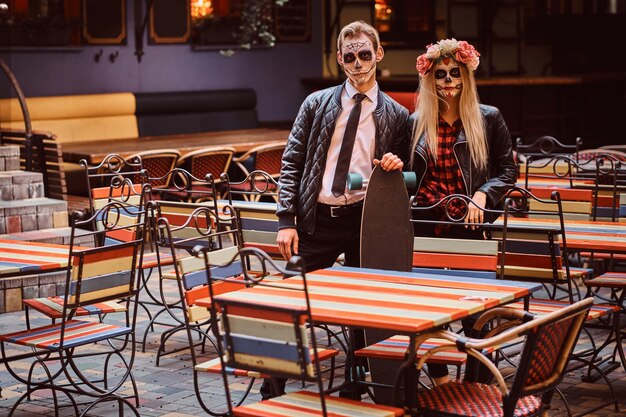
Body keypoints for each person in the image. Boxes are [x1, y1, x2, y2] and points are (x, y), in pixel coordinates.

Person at [264, 20, 409, 400]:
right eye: (350, 56)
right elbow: (292, 161)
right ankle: (272, 387)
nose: (358, 63)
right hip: (317, 221)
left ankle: (355, 386)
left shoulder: (396, 114)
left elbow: (404, 169)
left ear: (378, 54)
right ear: (340, 61)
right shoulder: (316, 103)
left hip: (364, 221)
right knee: (290, 300)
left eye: (365, 54)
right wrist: (286, 219)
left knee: (362, 309)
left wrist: (395, 163)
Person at [410, 38, 517, 384]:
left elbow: (508, 170)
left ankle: (477, 386)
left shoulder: (488, 119)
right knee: (427, 307)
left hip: (471, 226)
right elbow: (407, 175)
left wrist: (485, 195)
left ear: (466, 76)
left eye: (454, 73)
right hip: (426, 224)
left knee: (477, 311)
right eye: (439, 75)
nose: (448, 81)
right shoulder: (416, 123)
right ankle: (440, 382)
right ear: (430, 80)